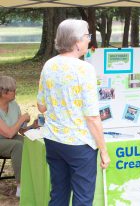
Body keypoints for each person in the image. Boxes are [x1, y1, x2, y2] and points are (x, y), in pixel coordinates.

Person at [37, 19, 110, 206]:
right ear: (77, 42)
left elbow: (41, 106)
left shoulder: (49, 65)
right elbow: (92, 116)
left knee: (58, 194)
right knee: (83, 199)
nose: (89, 40)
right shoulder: (84, 69)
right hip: (79, 144)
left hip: (53, 140)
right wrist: (104, 151)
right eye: (87, 36)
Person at [0, 75, 38, 197]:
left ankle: (34, 180)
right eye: (13, 90)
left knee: (31, 142)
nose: (15, 92)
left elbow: (21, 131)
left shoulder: (14, 105)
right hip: (3, 140)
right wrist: (22, 118)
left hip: (10, 139)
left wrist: (33, 126)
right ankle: (21, 185)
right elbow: (9, 133)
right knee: (18, 145)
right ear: (4, 92)